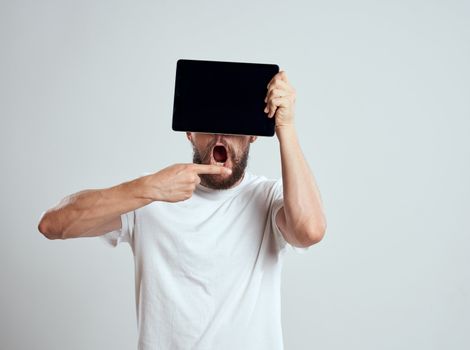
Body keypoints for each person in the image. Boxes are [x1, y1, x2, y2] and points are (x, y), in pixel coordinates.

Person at [38, 70, 326, 350]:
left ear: (252, 135)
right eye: (208, 123)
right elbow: (52, 225)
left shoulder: (268, 197)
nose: (220, 136)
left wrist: (286, 128)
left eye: (233, 125)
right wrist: (149, 189)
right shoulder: (150, 196)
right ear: (189, 132)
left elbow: (309, 230)